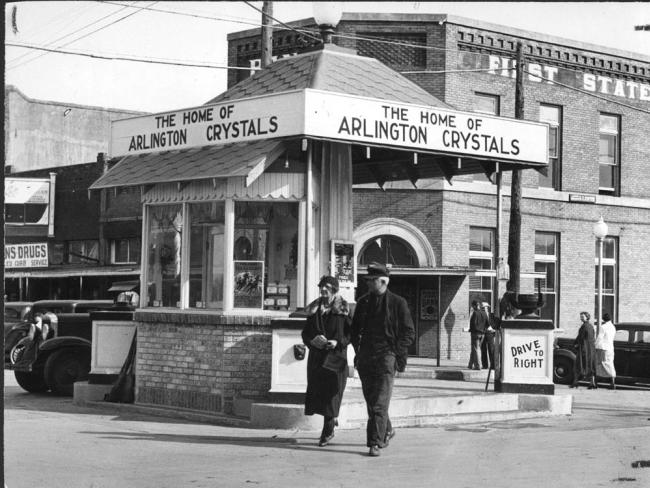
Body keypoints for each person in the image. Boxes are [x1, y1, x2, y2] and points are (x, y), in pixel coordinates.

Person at [351, 263, 415, 457]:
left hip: (386, 357)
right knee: (372, 402)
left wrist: (395, 352)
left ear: (383, 281)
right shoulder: (363, 303)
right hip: (366, 359)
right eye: (368, 280)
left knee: (379, 403)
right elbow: (354, 330)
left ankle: (375, 443)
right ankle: (386, 429)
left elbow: (408, 332)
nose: (368, 284)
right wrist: (358, 351)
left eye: (372, 280)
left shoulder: (398, 303)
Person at [301, 275, 352, 447]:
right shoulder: (314, 309)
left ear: (334, 290)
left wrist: (339, 342)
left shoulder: (343, 310)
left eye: (327, 288)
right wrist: (312, 341)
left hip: (336, 358)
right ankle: (330, 423)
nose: (323, 291)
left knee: (332, 394)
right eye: (322, 288)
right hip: (317, 358)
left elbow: (351, 334)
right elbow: (305, 333)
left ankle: (327, 430)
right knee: (320, 394)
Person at [571, 311, 597, 389]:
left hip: (584, 349)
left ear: (587, 317)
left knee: (578, 365)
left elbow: (580, 337)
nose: (581, 318)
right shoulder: (591, 326)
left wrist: (575, 344)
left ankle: (575, 382)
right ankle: (592, 382)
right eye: (581, 316)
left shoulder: (584, 326)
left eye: (582, 316)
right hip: (591, 349)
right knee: (590, 365)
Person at [595, 312, 616, 390]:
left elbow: (600, 337)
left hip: (603, 348)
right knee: (610, 363)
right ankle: (612, 382)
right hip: (610, 348)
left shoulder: (603, 327)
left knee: (600, 364)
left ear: (603, 319)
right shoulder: (613, 327)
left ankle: (596, 382)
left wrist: (595, 345)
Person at [468, 300, 488, 370]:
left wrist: (472, 330)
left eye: (472, 306)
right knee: (475, 349)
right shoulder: (484, 313)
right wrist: (483, 330)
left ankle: (478, 366)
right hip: (482, 334)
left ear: (474, 306)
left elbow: (473, 324)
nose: (472, 307)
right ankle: (470, 364)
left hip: (475, 333)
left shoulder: (475, 313)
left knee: (476, 349)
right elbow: (488, 324)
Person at [480, 302, 497, 370]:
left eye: (485, 307)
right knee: (483, 350)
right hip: (483, 333)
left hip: (490, 333)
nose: (484, 308)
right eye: (483, 308)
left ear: (488, 308)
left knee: (491, 349)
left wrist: (493, 328)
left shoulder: (492, 315)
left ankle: (492, 365)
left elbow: (495, 323)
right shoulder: (481, 314)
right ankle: (485, 365)